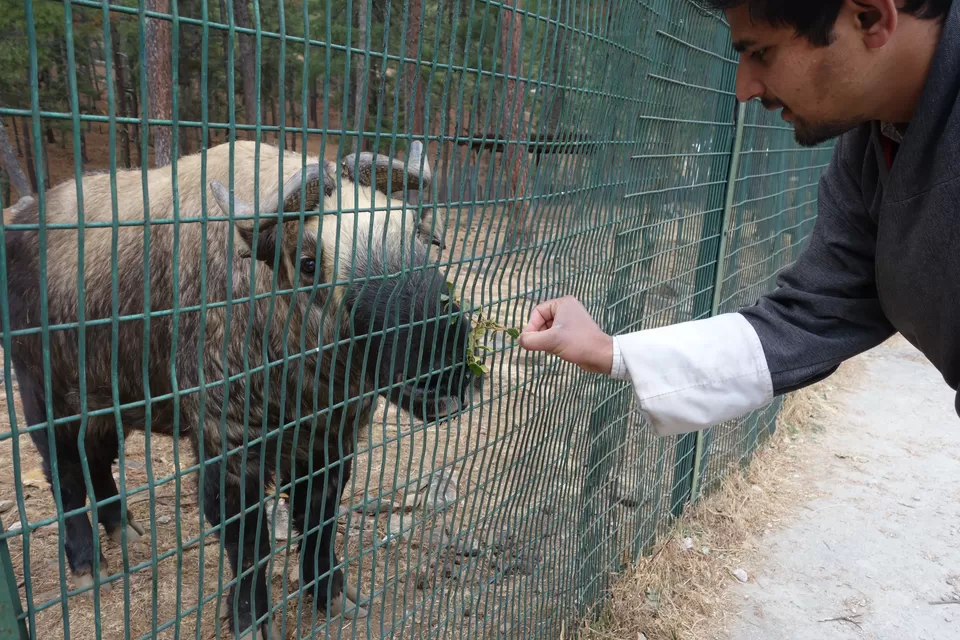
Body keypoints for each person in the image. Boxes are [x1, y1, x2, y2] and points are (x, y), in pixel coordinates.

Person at [517, 0, 960, 437]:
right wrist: (612, 352)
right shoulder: (870, 150)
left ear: (871, 17)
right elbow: (814, 316)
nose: (744, 88)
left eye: (762, 52)